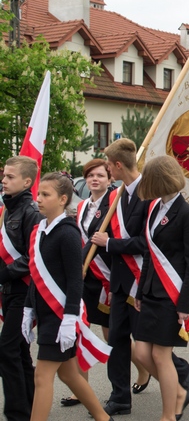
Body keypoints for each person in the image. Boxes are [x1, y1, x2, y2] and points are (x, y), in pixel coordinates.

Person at [91, 138, 189, 416]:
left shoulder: (156, 200)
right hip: (127, 282)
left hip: (155, 284)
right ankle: (120, 397)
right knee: (120, 342)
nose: (107, 170)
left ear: (117, 165)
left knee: (155, 350)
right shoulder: (117, 197)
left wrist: (111, 244)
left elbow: (151, 246)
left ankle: (179, 381)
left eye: (108, 166)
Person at [23, 172, 112, 421]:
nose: (39, 199)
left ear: (63, 199)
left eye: (46, 194)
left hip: (61, 315)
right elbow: (36, 274)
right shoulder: (40, 230)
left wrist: (70, 317)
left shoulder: (68, 233)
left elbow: (75, 279)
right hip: (46, 313)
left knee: (42, 376)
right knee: (69, 374)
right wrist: (28, 309)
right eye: (38, 194)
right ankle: (103, 417)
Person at [133, 156, 189, 421]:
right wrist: (140, 291)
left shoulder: (187, 213)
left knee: (161, 356)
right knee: (141, 353)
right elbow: (149, 254)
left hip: (171, 296)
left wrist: (184, 304)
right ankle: (179, 390)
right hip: (151, 292)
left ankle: (168, 414)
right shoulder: (154, 209)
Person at [61, 159, 113, 407]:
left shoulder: (115, 204)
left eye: (100, 175)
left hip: (107, 278)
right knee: (80, 331)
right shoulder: (81, 206)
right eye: (90, 175)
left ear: (110, 179)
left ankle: (142, 371)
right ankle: (81, 389)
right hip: (84, 277)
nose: (94, 179)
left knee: (112, 335)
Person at [0, 156, 42, 420]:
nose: (4, 180)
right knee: (19, 351)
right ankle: (30, 405)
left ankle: (17, 414)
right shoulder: (8, 209)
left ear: (27, 182)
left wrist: (4, 273)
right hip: (8, 289)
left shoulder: (31, 212)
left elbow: (32, 256)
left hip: (23, 292)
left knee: (7, 350)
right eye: (4, 175)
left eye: (10, 177)